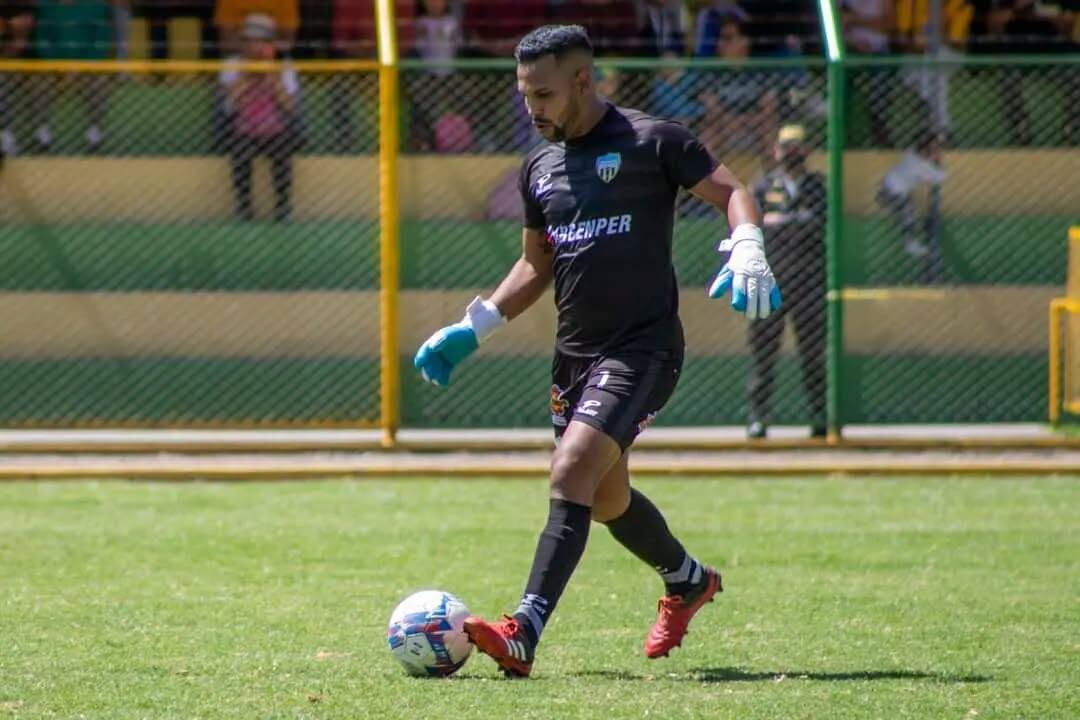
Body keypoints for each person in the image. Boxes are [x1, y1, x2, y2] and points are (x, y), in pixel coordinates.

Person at [412, 24, 781, 678]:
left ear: (583, 80)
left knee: (570, 473)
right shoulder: (539, 166)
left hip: (643, 348)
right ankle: (688, 580)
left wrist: (747, 243)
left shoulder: (653, 140)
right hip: (574, 357)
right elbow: (536, 265)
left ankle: (523, 631)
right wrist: (474, 326)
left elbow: (732, 192)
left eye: (544, 94)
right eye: (525, 95)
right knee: (606, 500)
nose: (532, 108)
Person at [746, 124, 827, 440]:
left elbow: (821, 223)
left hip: (809, 281)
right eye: (786, 147)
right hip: (770, 282)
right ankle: (758, 417)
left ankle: (820, 415)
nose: (791, 153)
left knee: (813, 354)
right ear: (776, 151)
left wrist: (781, 223)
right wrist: (795, 222)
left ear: (806, 151)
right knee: (762, 354)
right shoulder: (763, 186)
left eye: (797, 147)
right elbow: (754, 226)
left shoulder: (818, 186)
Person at [220, 13, 302, 221]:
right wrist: (247, 75)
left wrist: (272, 75)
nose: (254, 46)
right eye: (250, 41)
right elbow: (230, 103)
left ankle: (283, 208)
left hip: (275, 127)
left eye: (261, 41)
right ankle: (244, 209)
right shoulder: (233, 64)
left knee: (283, 151)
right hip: (243, 127)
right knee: (241, 153)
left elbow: (290, 107)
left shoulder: (283, 66)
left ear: (271, 44)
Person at [877, 129, 946, 259]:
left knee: (909, 215)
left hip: (888, 188)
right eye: (933, 149)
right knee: (909, 217)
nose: (936, 150)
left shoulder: (911, 153)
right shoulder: (920, 166)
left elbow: (924, 151)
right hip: (893, 194)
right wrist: (938, 159)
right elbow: (940, 176)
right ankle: (911, 245)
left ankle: (913, 241)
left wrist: (935, 144)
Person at [0, 0, 34, 156]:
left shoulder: (19, 4)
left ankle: (7, 138)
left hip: (9, 62)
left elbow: (21, 40)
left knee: (5, 86)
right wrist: (9, 25)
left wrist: (7, 25)